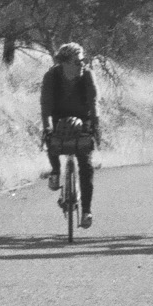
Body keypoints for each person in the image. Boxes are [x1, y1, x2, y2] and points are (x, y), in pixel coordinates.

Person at [40, 42, 100, 227]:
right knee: (52, 140)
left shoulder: (87, 75)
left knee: (86, 165)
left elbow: (94, 102)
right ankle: (56, 171)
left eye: (83, 61)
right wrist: (47, 128)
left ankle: (87, 211)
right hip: (59, 117)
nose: (82, 64)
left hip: (83, 117)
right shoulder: (52, 76)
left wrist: (95, 128)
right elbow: (46, 106)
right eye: (77, 61)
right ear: (64, 63)